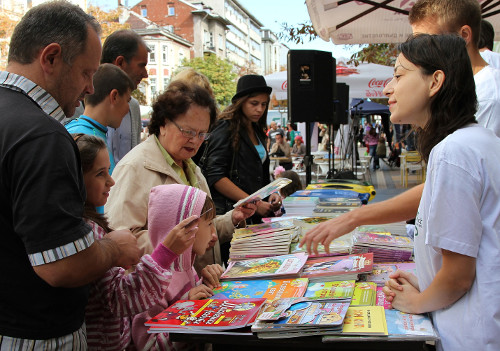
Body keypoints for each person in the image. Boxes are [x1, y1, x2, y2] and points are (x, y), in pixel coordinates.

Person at [300, 0, 500, 255]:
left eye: (424, 40)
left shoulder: (484, 100)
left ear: (462, 37)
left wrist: (353, 218)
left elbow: (448, 189)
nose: (414, 49)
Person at [0, 2, 141, 348]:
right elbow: (61, 265)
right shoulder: (43, 135)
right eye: (85, 73)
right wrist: (114, 247)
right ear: (50, 58)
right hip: (37, 335)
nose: (90, 87)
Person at [380, 34, 500, 351]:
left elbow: (460, 276)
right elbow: (476, 252)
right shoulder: (476, 141)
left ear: (435, 82)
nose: (387, 88)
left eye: (398, 75)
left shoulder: (454, 152)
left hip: (470, 335)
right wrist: (426, 282)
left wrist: (416, 302)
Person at [105, 81, 256, 274]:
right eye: (188, 132)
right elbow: (120, 239)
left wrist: (232, 219)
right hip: (160, 291)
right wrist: (182, 242)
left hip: (195, 287)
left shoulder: (192, 167)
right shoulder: (135, 167)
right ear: (163, 124)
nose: (195, 140)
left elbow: (204, 227)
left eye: (202, 134)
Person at [73, 134, 206, 349]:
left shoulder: (92, 226)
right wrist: (165, 254)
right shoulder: (87, 232)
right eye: (100, 173)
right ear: (75, 178)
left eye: (108, 170)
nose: (111, 181)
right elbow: (122, 298)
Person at [131, 184, 225, 350]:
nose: (214, 234)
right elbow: (149, 346)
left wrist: (207, 285)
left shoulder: (187, 267)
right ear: (188, 228)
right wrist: (186, 309)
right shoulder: (155, 281)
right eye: (209, 223)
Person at [202, 74, 281, 224]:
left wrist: (272, 193)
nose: (260, 109)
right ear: (241, 102)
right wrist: (254, 203)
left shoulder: (256, 129)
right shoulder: (225, 127)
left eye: (264, 104)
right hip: (231, 216)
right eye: (254, 103)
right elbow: (215, 176)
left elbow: (260, 173)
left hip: (253, 216)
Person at [66, 63, 134, 174]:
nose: (128, 110)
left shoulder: (83, 132)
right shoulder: (81, 137)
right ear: (114, 96)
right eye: (127, 101)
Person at [102, 29, 150, 163]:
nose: (145, 74)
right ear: (120, 62)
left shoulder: (133, 107)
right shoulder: (80, 104)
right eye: (141, 66)